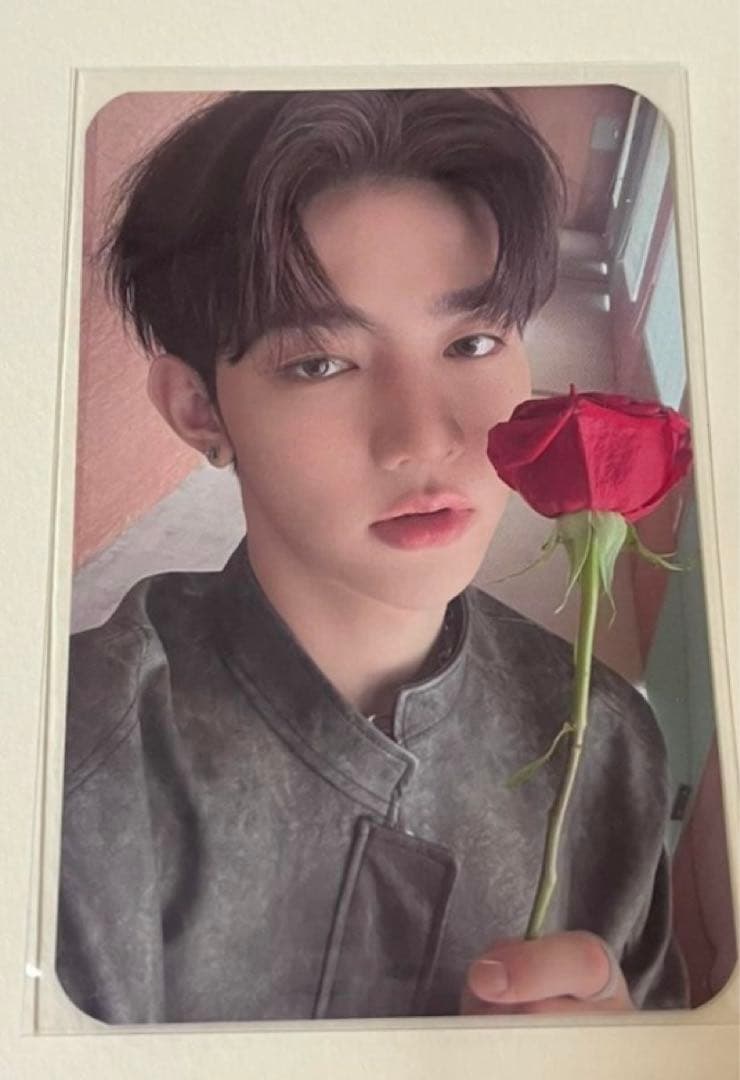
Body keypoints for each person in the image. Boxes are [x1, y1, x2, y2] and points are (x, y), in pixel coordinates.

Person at [56, 88, 688, 1023]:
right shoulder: (71, 765)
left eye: (472, 342)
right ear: (197, 409)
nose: (423, 438)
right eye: (321, 363)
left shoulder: (607, 744)